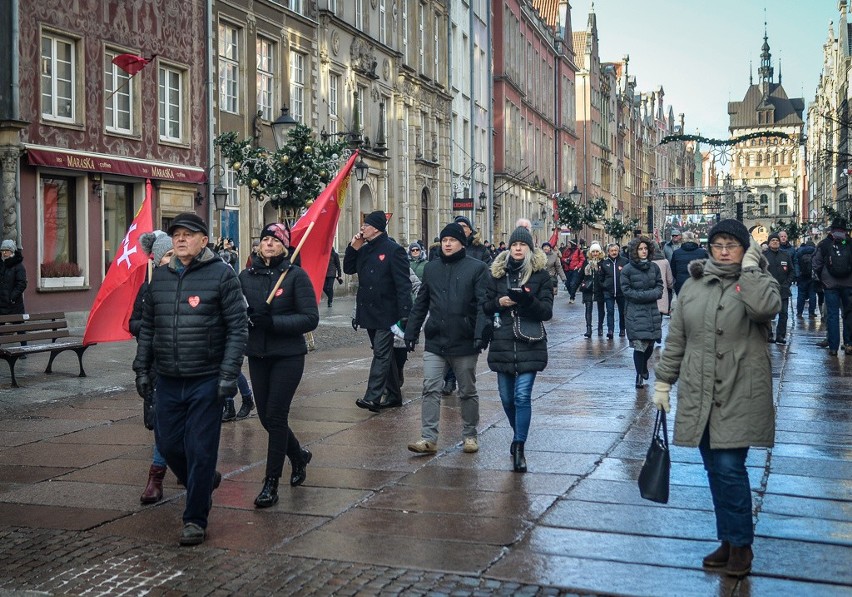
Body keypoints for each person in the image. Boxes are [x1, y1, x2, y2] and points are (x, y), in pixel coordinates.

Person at [653, 218, 780, 578]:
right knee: (713, 469)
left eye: (732, 246)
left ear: (746, 250)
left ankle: (741, 545)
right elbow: (677, 338)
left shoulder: (758, 282)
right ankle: (727, 538)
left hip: (740, 388)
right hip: (700, 388)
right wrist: (664, 382)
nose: (724, 252)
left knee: (729, 468)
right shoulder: (693, 286)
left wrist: (752, 270)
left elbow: (764, 309)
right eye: (718, 245)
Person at [133, 212, 248, 546]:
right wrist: (142, 369)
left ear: (203, 240)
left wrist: (228, 375)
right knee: (168, 446)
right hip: (168, 379)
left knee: (199, 450)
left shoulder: (222, 276)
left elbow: (238, 328)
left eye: (188, 234)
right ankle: (202, 480)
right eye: (176, 234)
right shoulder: (161, 279)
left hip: (206, 379)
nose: (181, 239)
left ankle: (195, 518)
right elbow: (149, 328)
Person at [239, 223, 319, 507]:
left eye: (275, 240)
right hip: (258, 355)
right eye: (265, 239)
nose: (269, 244)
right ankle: (298, 455)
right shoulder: (245, 276)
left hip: (288, 355)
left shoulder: (295, 276)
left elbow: (310, 318)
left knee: (276, 417)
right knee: (265, 418)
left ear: (285, 246)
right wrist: (248, 317)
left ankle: (270, 483)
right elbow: (236, 311)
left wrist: (272, 322)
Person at [404, 222, 490, 455]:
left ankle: (470, 434)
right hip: (436, 339)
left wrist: (481, 333)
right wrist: (411, 332)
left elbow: (484, 305)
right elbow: (421, 303)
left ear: (462, 243)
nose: (448, 244)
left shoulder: (477, 268)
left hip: (464, 340)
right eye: (444, 241)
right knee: (430, 387)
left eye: (452, 240)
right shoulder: (432, 268)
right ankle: (428, 438)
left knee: (467, 390)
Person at [483, 226, 553, 472]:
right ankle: (517, 433)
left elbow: (546, 311)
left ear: (530, 249)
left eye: (522, 245)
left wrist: (527, 300)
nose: (518, 249)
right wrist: (498, 302)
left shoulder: (541, 275)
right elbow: (484, 305)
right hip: (502, 340)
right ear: (509, 248)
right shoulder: (496, 275)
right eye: (514, 245)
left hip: (530, 341)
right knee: (506, 397)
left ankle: (519, 445)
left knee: (522, 396)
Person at [344, 210, 412, 412]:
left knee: (381, 353)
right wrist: (353, 248)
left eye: (366, 225)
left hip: (387, 311)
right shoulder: (364, 249)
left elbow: (403, 284)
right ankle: (394, 395)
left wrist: (405, 312)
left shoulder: (393, 250)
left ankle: (372, 397)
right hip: (368, 311)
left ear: (376, 228)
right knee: (384, 354)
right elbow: (348, 269)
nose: (362, 228)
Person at [129, 231, 174, 505]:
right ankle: (155, 478)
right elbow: (134, 323)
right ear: (156, 260)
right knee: (162, 425)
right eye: (167, 255)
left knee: (185, 426)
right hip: (158, 365)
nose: (172, 259)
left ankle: (185, 468)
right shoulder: (147, 288)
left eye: (174, 254)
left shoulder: (191, 281)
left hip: (187, 364)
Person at [621, 237, 663, 388]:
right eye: (640, 249)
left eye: (645, 248)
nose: (643, 251)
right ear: (634, 251)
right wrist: (646, 295)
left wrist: (650, 294)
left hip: (651, 312)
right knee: (639, 345)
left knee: (650, 344)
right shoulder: (627, 270)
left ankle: (644, 366)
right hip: (635, 312)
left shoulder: (654, 268)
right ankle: (639, 374)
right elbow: (626, 290)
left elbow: (660, 286)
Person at [812, 217, 852, 356]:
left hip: (830, 285)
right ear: (845, 230)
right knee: (848, 314)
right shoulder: (850, 243)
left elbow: (816, 264)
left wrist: (823, 277)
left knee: (833, 315)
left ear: (832, 229)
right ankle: (849, 344)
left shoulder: (824, 244)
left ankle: (833, 347)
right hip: (849, 285)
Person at [763, 232, 793, 344]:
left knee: (783, 313)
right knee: (767, 314)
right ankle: (769, 334)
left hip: (783, 289)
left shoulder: (785, 255)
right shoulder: (764, 256)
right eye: (772, 240)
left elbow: (792, 271)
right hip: (768, 289)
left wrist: (787, 283)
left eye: (777, 240)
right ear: (769, 243)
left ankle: (781, 335)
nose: (775, 242)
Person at [599, 243, 628, 338]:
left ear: (618, 251)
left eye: (615, 250)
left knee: (622, 312)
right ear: (608, 252)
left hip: (621, 292)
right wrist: (604, 286)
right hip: (609, 292)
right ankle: (610, 330)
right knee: (610, 311)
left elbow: (628, 276)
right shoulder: (604, 263)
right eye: (612, 251)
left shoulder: (625, 261)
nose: (614, 252)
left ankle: (622, 329)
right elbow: (601, 277)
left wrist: (625, 286)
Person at [580, 242, 605, 337]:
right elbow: (580, 275)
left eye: (597, 251)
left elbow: (605, 276)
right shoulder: (586, 263)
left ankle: (600, 328)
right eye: (593, 251)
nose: (595, 253)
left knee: (601, 309)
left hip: (599, 289)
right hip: (588, 289)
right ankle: (589, 329)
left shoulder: (603, 263)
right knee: (588, 308)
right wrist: (573, 288)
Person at [0, 240, 27, 318]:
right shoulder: (1, 265)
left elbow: (21, 284)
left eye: (6, 250)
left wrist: (12, 298)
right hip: (1, 305)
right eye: (2, 250)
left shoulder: (18, 266)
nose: (4, 253)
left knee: (19, 327)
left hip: (14, 305)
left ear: (12, 251)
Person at [795, 239, 818, 318]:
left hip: (802, 277)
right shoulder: (815, 252)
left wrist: (797, 275)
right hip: (812, 277)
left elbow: (796, 264)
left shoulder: (800, 252)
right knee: (813, 295)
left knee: (801, 295)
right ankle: (811, 313)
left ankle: (799, 312)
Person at [651, 242, 674, 317]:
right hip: (661, 293)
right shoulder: (665, 261)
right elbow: (670, 280)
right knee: (659, 317)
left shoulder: (646, 262)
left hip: (648, 295)